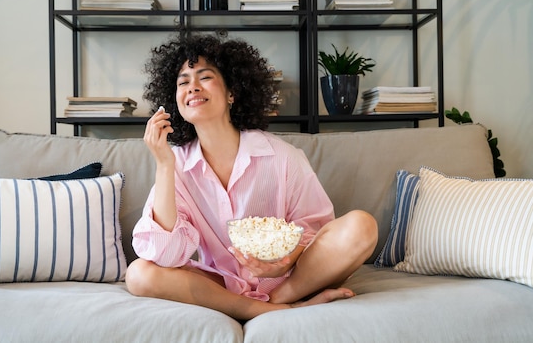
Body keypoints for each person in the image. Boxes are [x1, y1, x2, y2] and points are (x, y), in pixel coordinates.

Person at [125, 33, 378, 321]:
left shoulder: (283, 156)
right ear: (175, 102)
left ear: (232, 92)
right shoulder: (176, 165)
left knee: (362, 225)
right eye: (183, 82)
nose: (192, 87)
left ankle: (280, 299)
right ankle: (267, 310)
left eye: (204, 77)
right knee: (139, 274)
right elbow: (166, 256)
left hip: (290, 280)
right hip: (220, 285)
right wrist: (164, 165)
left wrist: (283, 264)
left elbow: (314, 230)